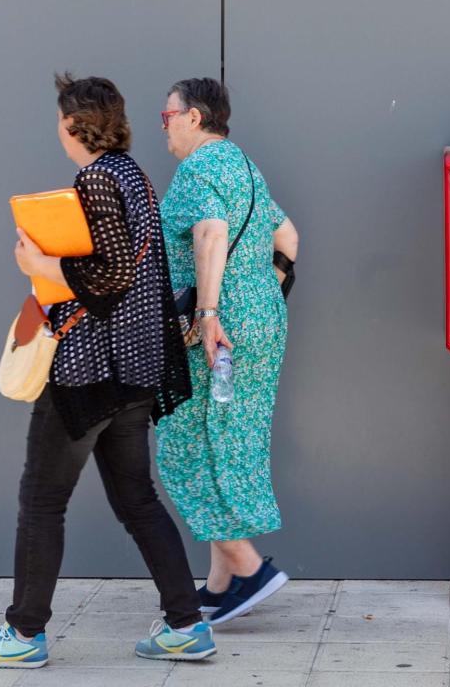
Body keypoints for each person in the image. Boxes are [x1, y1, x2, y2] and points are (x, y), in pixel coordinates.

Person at [0, 74, 215, 670]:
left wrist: (41, 262)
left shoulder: (96, 177)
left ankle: (23, 635)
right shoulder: (133, 175)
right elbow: (123, 266)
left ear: (74, 125)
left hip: (88, 370)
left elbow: (111, 273)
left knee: (42, 501)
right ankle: (185, 625)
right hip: (134, 370)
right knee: (136, 500)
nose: (57, 128)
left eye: (59, 119)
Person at [155, 77, 299, 626]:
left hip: (214, 333)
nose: (164, 127)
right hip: (262, 323)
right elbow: (288, 239)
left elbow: (211, 233)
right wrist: (262, 293)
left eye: (167, 117)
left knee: (186, 445)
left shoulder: (196, 170)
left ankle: (249, 567)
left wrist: (211, 313)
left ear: (193, 117)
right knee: (231, 440)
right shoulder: (244, 167)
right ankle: (220, 585)